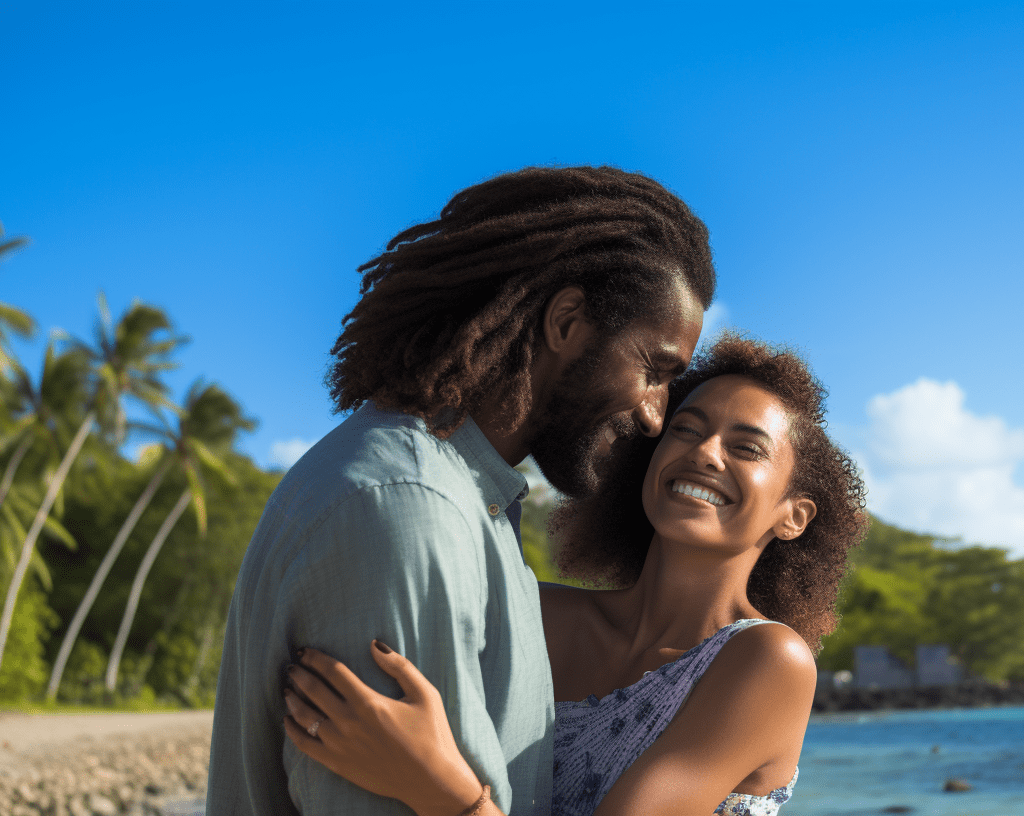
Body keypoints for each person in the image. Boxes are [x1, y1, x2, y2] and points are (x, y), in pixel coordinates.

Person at [206, 166, 717, 816]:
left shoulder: (469, 504)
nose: (654, 415)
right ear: (566, 323)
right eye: (655, 370)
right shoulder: (412, 510)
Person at [279, 335, 869, 816]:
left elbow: (428, 769)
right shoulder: (537, 612)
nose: (706, 452)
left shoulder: (769, 661)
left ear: (794, 516)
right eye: (687, 429)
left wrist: (432, 783)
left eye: (747, 448)